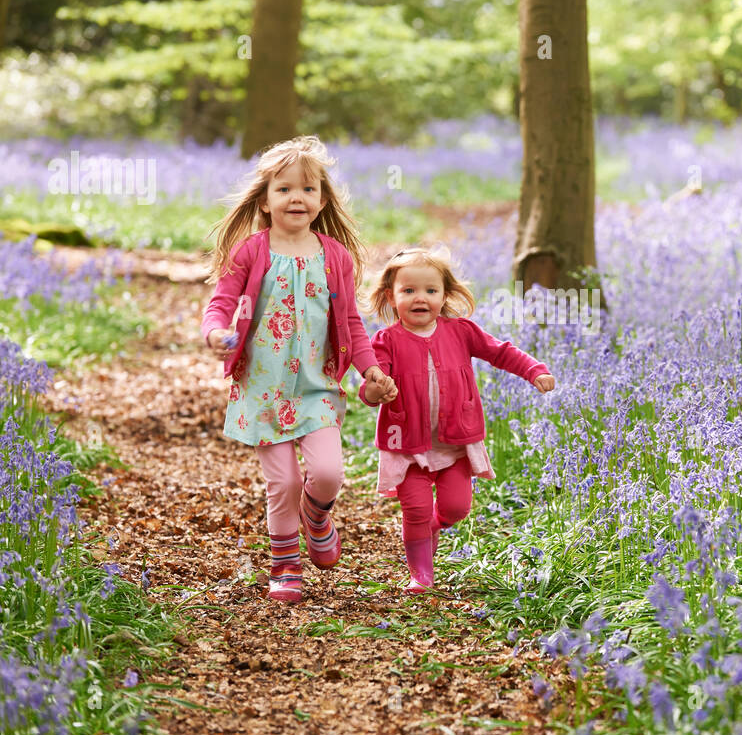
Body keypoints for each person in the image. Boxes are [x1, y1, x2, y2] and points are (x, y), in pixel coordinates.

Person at [199, 136, 397, 604]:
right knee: (283, 481)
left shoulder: (334, 256)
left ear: (322, 200)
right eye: (284, 189)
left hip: (317, 386)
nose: (296, 198)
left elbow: (350, 321)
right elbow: (222, 301)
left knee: (327, 473)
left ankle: (318, 514)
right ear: (265, 201)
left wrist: (369, 369)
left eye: (307, 190)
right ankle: (286, 564)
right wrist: (214, 332)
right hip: (263, 387)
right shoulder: (251, 251)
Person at [360, 247, 555, 593]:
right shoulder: (386, 341)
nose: (420, 298)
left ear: (445, 294)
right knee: (415, 511)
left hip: (454, 444)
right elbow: (372, 385)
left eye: (430, 291)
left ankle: (435, 525)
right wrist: (378, 390)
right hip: (409, 445)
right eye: (409, 291)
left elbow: (500, 351)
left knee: (456, 508)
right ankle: (421, 574)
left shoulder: (461, 331)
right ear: (392, 296)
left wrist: (533, 370)